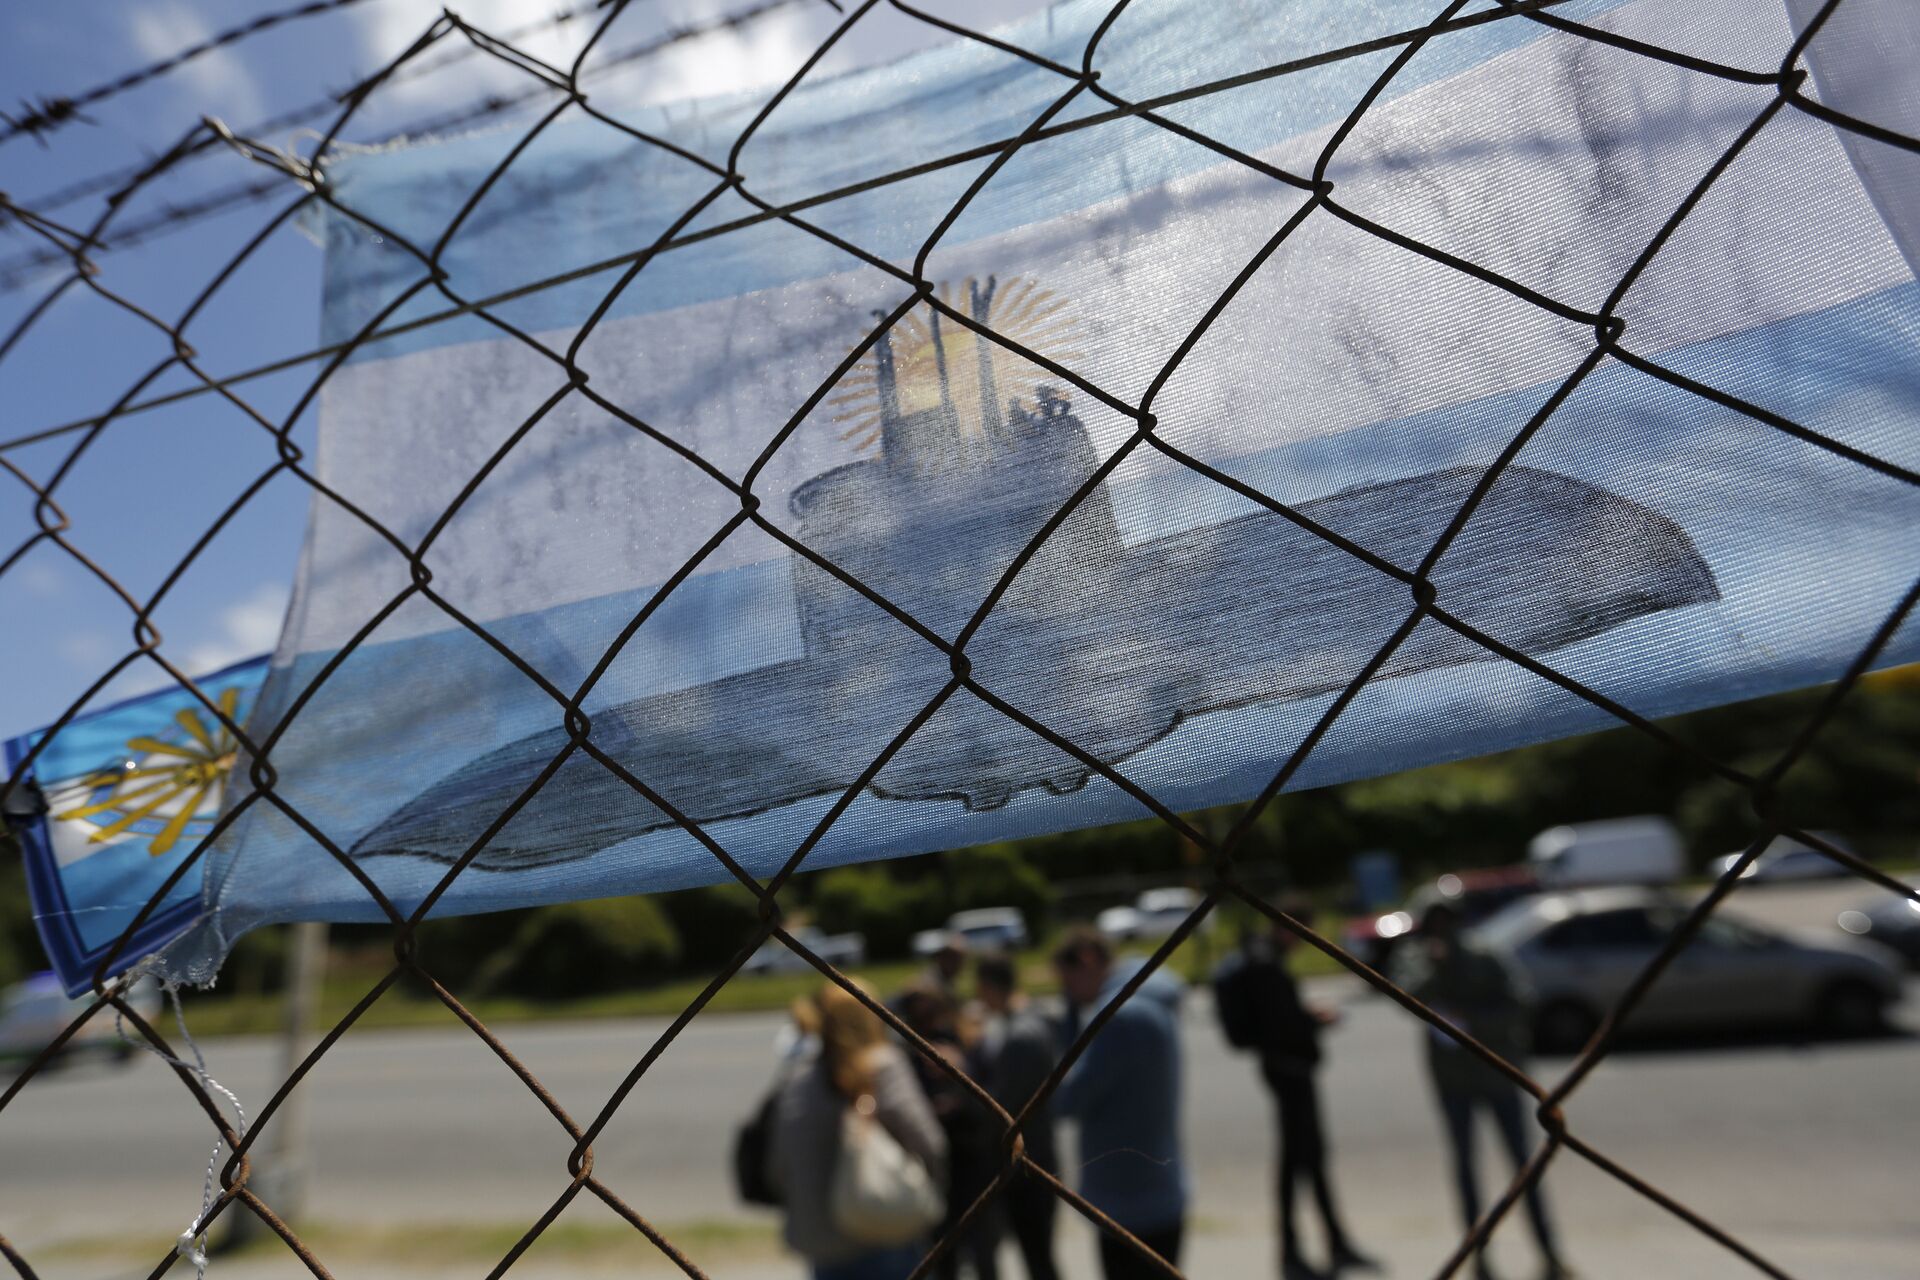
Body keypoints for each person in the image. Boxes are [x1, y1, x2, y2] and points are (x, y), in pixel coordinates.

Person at [1394, 903, 1571, 1280]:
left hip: (1497, 1075)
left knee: (1526, 1167)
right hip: (1452, 1081)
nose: (1441, 932)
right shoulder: (1415, 958)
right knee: (1465, 1170)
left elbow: (1518, 1003)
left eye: (1447, 924)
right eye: (1434, 925)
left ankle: (1549, 1252)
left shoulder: (1486, 954)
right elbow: (1408, 999)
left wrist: (1472, 1021)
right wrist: (1436, 966)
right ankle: (1478, 1256)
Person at [1214, 915, 1375, 1278]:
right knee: (1297, 1160)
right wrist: (1318, 1020)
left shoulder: (1262, 960)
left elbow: (1279, 1016)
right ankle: (1294, 1249)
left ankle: (1330, 1241)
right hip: (1289, 1072)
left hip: (1285, 1069)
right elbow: (1282, 1023)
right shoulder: (1267, 965)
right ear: (1288, 927)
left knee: (1309, 1159)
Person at [768, 980, 948, 1280]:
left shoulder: (799, 1080)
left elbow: (778, 1167)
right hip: (887, 1235)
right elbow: (930, 1144)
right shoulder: (884, 1065)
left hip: (823, 1249)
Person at [1050, 928, 1187, 1279]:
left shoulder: (1119, 1018)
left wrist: (1069, 1030)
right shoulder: (1150, 1000)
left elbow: (1066, 1100)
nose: (1067, 994)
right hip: (1157, 1191)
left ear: (1088, 960)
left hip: (1131, 1203)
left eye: (1068, 983)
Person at [897, 981, 1001, 1280]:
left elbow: (995, 1102)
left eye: (934, 1013)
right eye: (919, 1016)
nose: (929, 1024)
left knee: (984, 1251)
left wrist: (960, 1070)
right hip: (934, 1165)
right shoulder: (906, 1052)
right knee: (942, 1254)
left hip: (974, 1159)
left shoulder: (969, 1044)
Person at [975, 952, 1062, 1280]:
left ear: (988, 986)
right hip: (1042, 1154)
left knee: (1038, 1258)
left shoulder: (1019, 1036)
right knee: (1039, 1255)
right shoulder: (1031, 1020)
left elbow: (1004, 1107)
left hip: (1029, 1164)